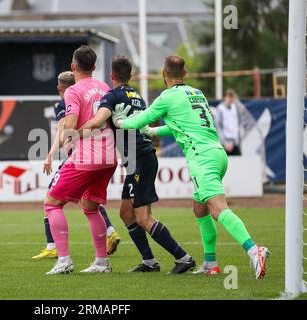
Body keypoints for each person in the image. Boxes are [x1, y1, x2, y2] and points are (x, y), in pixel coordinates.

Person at [112, 55, 269, 279]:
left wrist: (120, 123)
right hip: (217, 153)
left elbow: (139, 120)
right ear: (184, 74)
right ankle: (210, 264)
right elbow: (183, 125)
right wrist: (155, 132)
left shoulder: (166, 97)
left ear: (164, 75)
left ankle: (254, 250)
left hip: (201, 158)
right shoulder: (197, 93)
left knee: (217, 208)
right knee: (200, 208)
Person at [79, 55, 196, 274]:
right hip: (139, 158)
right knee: (126, 213)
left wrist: (74, 134)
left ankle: (183, 257)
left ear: (111, 75)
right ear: (130, 76)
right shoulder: (137, 96)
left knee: (143, 217)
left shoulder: (112, 96)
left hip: (140, 159)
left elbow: (97, 120)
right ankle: (149, 262)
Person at [43, 46, 117, 275]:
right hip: (109, 156)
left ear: (73, 67)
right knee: (91, 207)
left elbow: (71, 123)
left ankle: (64, 260)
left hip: (87, 157)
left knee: (51, 203)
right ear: (94, 67)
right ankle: (101, 263)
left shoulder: (72, 91)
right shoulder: (105, 87)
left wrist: (66, 135)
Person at [215, 89, 242, 155]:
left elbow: (237, 126)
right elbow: (218, 127)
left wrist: (236, 142)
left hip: (234, 143)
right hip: (224, 144)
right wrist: (225, 142)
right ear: (225, 97)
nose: (230, 99)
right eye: (229, 97)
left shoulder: (235, 108)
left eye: (232, 97)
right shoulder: (220, 109)